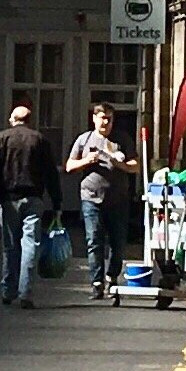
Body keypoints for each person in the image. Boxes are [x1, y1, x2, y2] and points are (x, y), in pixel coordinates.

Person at [0, 105, 62, 309]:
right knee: (31, 245)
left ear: (13, 119)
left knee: (10, 247)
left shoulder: (0, 139)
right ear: (30, 119)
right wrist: (57, 201)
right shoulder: (40, 140)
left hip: (8, 199)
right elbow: (51, 173)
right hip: (34, 198)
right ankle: (26, 292)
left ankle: (7, 290)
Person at [65, 102, 138, 300]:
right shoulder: (85, 139)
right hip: (91, 197)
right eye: (102, 118)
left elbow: (135, 166)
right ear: (94, 119)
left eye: (109, 118)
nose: (105, 122)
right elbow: (69, 166)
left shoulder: (122, 139)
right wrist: (87, 161)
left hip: (118, 199)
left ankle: (112, 276)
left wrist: (119, 163)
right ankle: (96, 282)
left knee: (118, 242)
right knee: (94, 239)